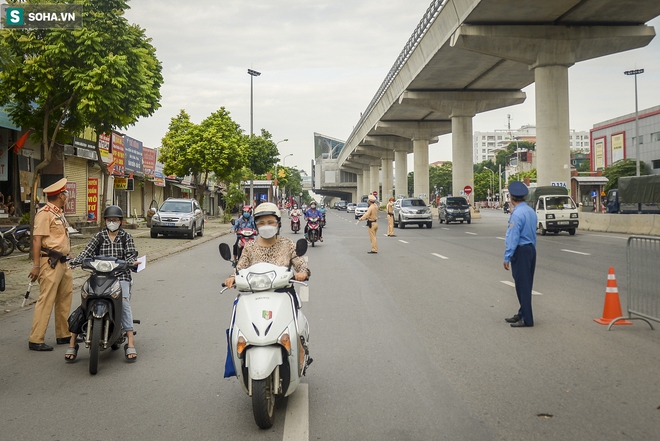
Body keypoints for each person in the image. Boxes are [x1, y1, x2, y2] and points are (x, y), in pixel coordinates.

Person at [67, 206, 138, 361]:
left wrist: (132, 262)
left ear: (121, 222)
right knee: (85, 302)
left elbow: (132, 254)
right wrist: (75, 261)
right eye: (109, 220)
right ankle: (72, 343)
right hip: (99, 276)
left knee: (124, 303)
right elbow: (87, 252)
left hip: (121, 277)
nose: (112, 222)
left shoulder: (126, 237)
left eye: (115, 220)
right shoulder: (99, 236)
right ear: (105, 221)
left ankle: (130, 342)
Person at [224, 202, 310, 294]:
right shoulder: (250, 247)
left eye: (270, 222)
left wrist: (303, 273)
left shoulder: (288, 244)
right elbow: (240, 268)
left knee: (294, 307)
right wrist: (233, 277)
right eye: (261, 223)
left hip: (284, 292)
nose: (266, 226)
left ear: (278, 224)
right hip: (257, 295)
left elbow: (300, 264)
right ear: (256, 225)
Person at [28, 178, 73, 351]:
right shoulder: (45, 213)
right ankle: (36, 338)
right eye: (66, 193)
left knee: (64, 298)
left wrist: (68, 254)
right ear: (61, 195)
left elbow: (60, 238)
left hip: (63, 261)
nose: (67, 196)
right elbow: (37, 239)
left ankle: (63, 334)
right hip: (50, 262)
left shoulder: (58, 213)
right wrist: (36, 265)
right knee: (46, 299)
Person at [503, 181, 538, 328]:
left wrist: (507, 256)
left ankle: (527, 319)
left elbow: (513, 237)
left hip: (521, 251)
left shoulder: (517, 214)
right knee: (526, 284)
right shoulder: (530, 211)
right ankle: (522, 312)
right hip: (530, 250)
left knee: (522, 286)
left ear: (511, 197)